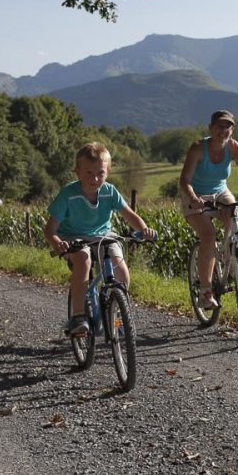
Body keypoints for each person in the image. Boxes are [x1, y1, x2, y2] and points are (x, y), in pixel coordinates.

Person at [44, 142, 156, 337]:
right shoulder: (68, 195)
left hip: (104, 235)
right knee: (83, 260)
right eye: (88, 173)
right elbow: (50, 229)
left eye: (100, 173)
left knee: (120, 269)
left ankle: (118, 314)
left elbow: (129, 215)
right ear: (77, 172)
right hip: (73, 238)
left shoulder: (109, 191)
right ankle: (78, 317)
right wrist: (57, 243)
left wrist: (144, 229)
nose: (95, 179)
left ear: (108, 172)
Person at [179, 110, 238, 310]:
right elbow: (185, 180)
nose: (224, 130)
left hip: (221, 192)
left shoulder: (233, 147)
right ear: (211, 128)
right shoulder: (198, 148)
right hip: (196, 196)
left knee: (235, 222)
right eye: (220, 126)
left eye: (228, 127)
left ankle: (230, 256)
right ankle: (205, 292)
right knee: (208, 235)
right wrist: (194, 199)